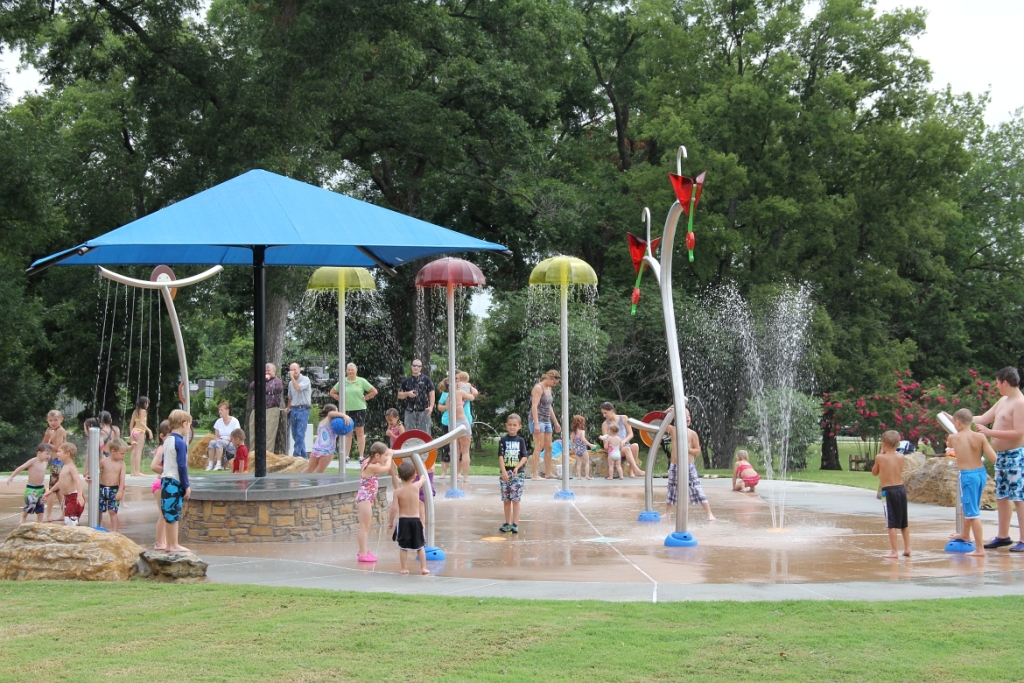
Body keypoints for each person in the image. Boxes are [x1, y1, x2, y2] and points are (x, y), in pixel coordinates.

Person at [973, 367, 1024, 551]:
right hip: (1002, 457)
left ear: (1005, 382)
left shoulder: (1019, 402)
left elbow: (1019, 432)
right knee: (1002, 495)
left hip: (1016, 456)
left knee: (1019, 497)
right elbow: (984, 418)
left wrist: (989, 433)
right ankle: (1003, 536)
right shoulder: (1003, 400)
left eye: (997, 382)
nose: (996, 386)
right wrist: (961, 418)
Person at [943, 408, 997, 557]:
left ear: (958, 422)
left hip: (967, 476)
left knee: (972, 513)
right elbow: (993, 457)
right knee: (971, 506)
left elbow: (949, 444)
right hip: (981, 473)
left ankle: (980, 549)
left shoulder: (954, 438)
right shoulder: (980, 437)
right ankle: (965, 535)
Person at [666, 409, 715, 521]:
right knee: (671, 488)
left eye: (689, 415)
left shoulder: (692, 433)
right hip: (674, 465)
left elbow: (698, 451)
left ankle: (709, 513)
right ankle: (668, 513)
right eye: (684, 415)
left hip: (688, 466)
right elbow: (661, 424)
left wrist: (688, 449)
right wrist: (668, 412)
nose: (688, 417)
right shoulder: (673, 430)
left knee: (696, 487)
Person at [872, 429, 911, 558]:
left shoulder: (879, 457)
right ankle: (907, 548)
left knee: (891, 522)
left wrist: (880, 455)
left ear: (883, 444)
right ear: (898, 444)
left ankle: (894, 551)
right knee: (903, 522)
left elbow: (874, 472)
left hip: (887, 492)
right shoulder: (901, 457)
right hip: (900, 489)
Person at [330, 363, 378, 463]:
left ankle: (361, 456)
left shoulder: (361, 381)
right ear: (346, 371)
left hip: (359, 409)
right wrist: (340, 398)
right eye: (349, 370)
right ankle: (346, 456)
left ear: (356, 371)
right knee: (348, 433)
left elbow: (374, 391)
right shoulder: (343, 381)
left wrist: (366, 398)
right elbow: (332, 392)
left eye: (352, 370)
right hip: (346, 410)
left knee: (360, 432)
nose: (350, 372)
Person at [389, 460, 430, 575]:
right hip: (416, 521)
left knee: (403, 547)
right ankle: (423, 568)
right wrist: (422, 475)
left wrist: (390, 522)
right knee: (420, 547)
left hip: (403, 521)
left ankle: (403, 568)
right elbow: (423, 479)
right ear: (414, 476)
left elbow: (393, 509)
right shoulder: (416, 486)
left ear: (398, 476)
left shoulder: (397, 492)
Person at [160, 409, 192, 553]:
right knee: (174, 514)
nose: (189, 429)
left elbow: (163, 461)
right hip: (174, 482)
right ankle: (174, 544)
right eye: (189, 425)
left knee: (168, 514)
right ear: (184, 424)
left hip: (165, 480)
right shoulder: (180, 443)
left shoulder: (167, 441)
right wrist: (186, 485)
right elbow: (182, 465)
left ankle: (169, 544)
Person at [356, 442, 392, 562]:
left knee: (366, 526)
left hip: (365, 498)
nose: (386, 458)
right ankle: (362, 553)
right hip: (365, 499)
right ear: (377, 455)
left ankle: (364, 550)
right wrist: (391, 455)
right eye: (384, 455)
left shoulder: (369, 461)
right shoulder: (371, 466)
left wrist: (386, 454)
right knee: (364, 527)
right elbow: (386, 468)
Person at [438, 376, 475, 484]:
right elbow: (472, 397)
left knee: (455, 451)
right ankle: (465, 476)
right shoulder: (459, 393)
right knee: (465, 451)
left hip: (452, 424)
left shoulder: (448, 398)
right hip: (462, 422)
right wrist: (469, 390)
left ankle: (454, 475)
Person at [498, 413, 529, 533]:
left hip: (518, 475)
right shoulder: (503, 440)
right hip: (505, 475)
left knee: (516, 500)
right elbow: (500, 456)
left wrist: (517, 467)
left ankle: (515, 524)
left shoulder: (521, 441)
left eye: (514, 425)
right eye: (510, 425)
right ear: (506, 426)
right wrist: (504, 471)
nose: (512, 427)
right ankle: (507, 523)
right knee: (506, 500)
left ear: (519, 426)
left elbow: (525, 457)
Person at [8, 443, 52, 524]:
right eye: (47, 453)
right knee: (32, 504)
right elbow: (21, 467)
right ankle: (24, 517)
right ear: (39, 453)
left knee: (40, 506)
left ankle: (39, 522)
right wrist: (11, 477)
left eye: (50, 454)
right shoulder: (33, 461)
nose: (49, 456)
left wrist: (46, 490)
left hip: (41, 488)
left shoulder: (45, 463)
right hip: (31, 488)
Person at [530, 370, 562, 480]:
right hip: (538, 420)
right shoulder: (538, 388)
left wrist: (555, 421)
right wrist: (537, 423)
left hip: (547, 420)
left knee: (549, 447)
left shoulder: (549, 388)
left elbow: (549, 406)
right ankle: (535, 475)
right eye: (554, 383)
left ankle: (548, 473)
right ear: (549, 379)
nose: (555, 385)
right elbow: (534, 406)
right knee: (539, 446)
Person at [599, 402, 644, 478]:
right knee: (627, 449)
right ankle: (637, 470)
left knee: (635, 445)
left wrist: (623, 441)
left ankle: (631, 471)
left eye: (605, 413)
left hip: (625, 445)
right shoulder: (605, 424)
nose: (604, 415)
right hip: (614, 449)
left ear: (612, 410)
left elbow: (630, 434)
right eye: (603, 413)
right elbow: (605, 441)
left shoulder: (624, 418)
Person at [43, 443, 84, 526]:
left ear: (67, 454)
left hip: (74, 498)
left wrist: (79, 495)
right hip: (68, 498)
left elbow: (78, 481)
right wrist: (50, 491)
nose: (57, 453)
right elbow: (60, 482)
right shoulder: (64, 466)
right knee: (68, 521)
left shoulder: (71, 467)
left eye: (59, 451)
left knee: (71, 521)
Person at [248, 362, 285, 454]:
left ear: (274, 372)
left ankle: (267, 456)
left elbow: (267, 389)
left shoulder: (277, 382)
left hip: (270, 410)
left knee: (269, 435)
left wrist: (263, 380)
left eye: (269, 371)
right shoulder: (260, 380)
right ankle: (253, 455)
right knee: (253, 433)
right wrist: (262, 379)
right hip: (256, 410)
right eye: (265, 371)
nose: (267, 372)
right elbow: (252, 386)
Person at [304, 405, 352, 474]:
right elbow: (330, 414)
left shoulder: (321, 422)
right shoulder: (329, 418)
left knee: (309, 469)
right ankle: (316, 484)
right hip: (327, 450)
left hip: (316, 448)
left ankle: (297, 481)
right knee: (319, 472)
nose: (338, 413)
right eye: (337, 411)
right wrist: (344, 416)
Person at [398, 359, 435, 434]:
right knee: (409, 434)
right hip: (410, 411)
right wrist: (407, 393)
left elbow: (432, 393)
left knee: (425, 434)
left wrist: (431, 407)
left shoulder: (426, 379)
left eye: (418, 366)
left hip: (424, 410)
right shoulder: (406, 381)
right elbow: (399, 395)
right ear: (411, 367)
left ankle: (426, 446)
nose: (416, 367)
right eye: (414, 365)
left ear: (421, 368)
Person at [150, 420, 171, 549]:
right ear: (162, 436)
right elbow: (153, 466)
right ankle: (159, 542)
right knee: (163, 515)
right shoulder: (162, 449)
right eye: (169, 435)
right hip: (160, 484)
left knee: (165, 515)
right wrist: (167, 472)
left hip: (163, 483)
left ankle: (162, 541)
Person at [99, 438, 128, 532]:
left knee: (113, 511)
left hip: (114, 489)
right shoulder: (103, 462)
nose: (124, 456)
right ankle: (97, 527)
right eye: (122, 453)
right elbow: (96, 473)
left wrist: (120, 491)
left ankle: (115, 531)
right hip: (101, 488)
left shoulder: (122, 464)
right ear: (113, 451)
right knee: (99, 509)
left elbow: (122, 478)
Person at [206, 401, 241, 471]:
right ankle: (210, 464)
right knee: (212, 442)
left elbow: (236, 436)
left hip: (232, 443)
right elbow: (216, 437)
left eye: (221, 410)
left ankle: (218, 464)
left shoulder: (235, 421)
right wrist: (220, 440)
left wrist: (226, 440)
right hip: (221, 441)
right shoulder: (218, 421)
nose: (219, 412)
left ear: (227, 410)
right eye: (219, 410)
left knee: (219, 442)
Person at [127, 396, 153, 477]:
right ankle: (137, 471)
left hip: (134, 431)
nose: (148, 404)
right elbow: (142, 422)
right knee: (138, 452)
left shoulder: (135, 411)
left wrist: (131, 433)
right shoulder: (143, 411)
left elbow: (131, 423)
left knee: (133, 452)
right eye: (147, 403)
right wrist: (149, 430)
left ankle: (132, 471)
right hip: (140, 432)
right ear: (145, 403)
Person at [571, 415, 596, 480]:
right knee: (587, 462)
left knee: (578, 464)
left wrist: (573, 449)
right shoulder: (582, 431)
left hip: (577, 449)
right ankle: (587, 476)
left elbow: (572, 442)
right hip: (583, 449)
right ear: (581, 423)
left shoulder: (573, 433)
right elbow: (583, 439)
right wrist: (590, 445)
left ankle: (579, 476)